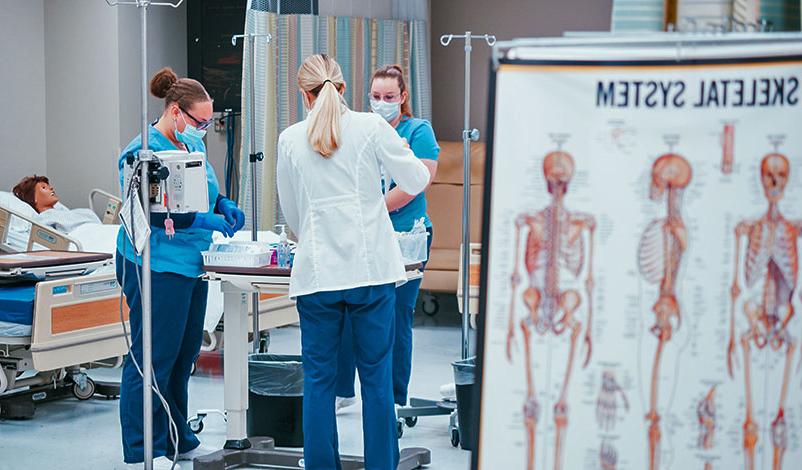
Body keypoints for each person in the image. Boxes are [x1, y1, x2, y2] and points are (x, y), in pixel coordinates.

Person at [276, 54, 430, 470]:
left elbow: (292, 214)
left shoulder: (290, 138)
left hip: (318, 277)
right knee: (377, 381)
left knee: (320, 383)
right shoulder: (371, 127)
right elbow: (417, 178)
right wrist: (372, 207)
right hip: (371, 273)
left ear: (303, 93)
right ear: (343, 88)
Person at [116, 67, 245, 469]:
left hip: (190, 264)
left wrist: (222, 204)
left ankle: (178, 437)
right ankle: (143, 450)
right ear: (175, 112)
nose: (205, 129)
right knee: (154, 356)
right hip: (154, 264)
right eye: (200, 121)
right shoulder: (142, 152)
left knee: (185, 354)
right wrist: (203, 221)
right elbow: (148, 214)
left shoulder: (192, 147)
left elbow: (202, 188)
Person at [335, 65, 439, 412]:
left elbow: (419, 181)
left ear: (403, 97)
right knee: (349, 309)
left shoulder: (417, 130)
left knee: (396, 315)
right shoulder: (362, 129)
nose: (382, 103)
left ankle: (395, 398)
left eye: (389, 97)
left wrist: (373, 208)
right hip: (365, 231)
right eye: (376, 97)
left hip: (408, 234)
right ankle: (343, 390)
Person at [12, 175, 101, 232]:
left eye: (49, 186)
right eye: (44, 187)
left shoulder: (69, 213)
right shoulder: (42, 219)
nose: (51, 188)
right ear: (33, 198)